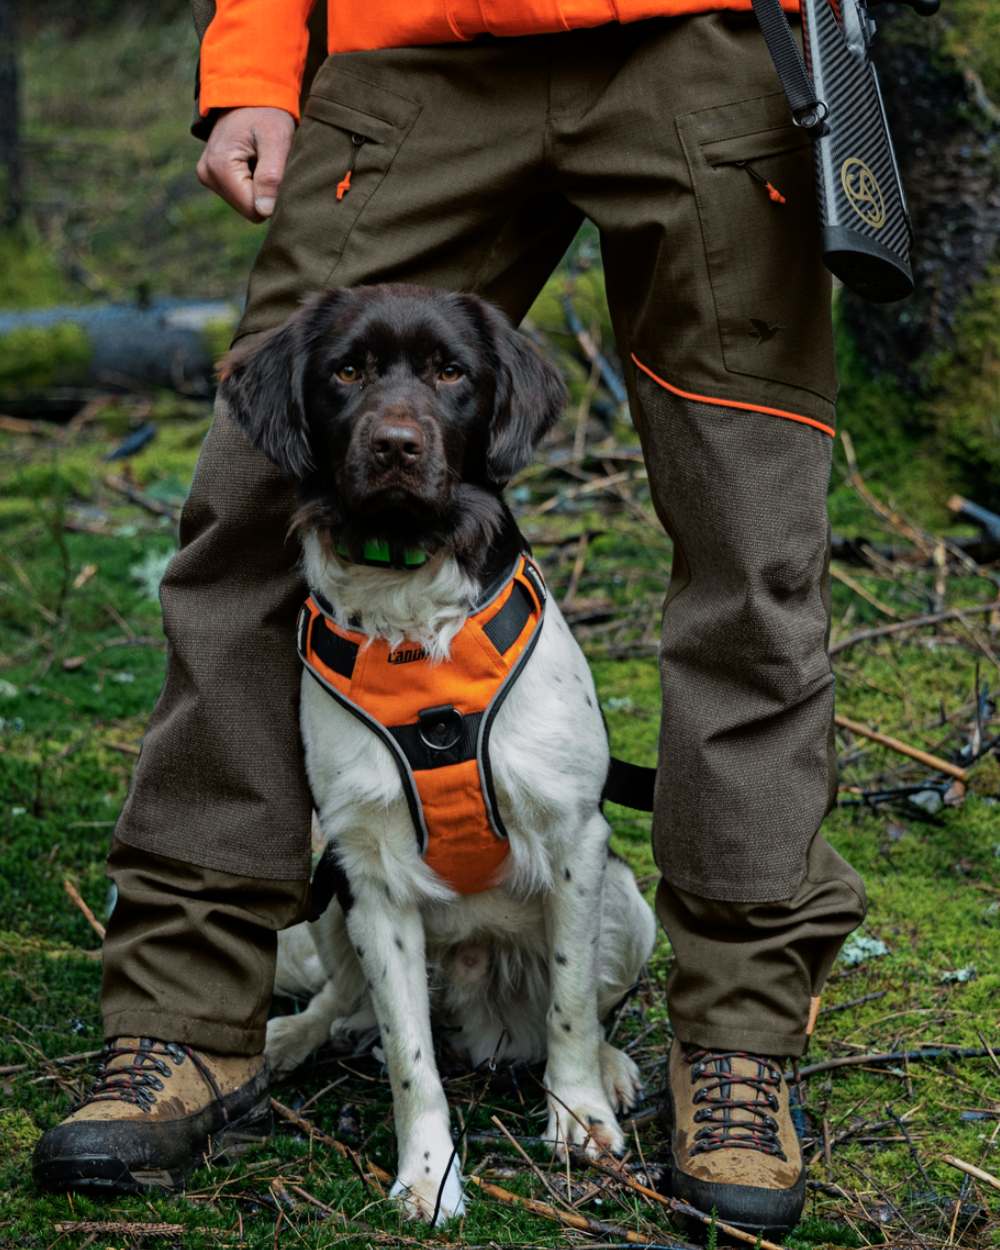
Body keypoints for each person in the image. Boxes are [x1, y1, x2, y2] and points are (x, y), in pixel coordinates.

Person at [34, 0, 868, 1234]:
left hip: (711, 33)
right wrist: (256, 63)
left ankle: (738, 1043)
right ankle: (184, 1010)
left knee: (757, 556)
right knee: (250, 514)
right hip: (414, 41)